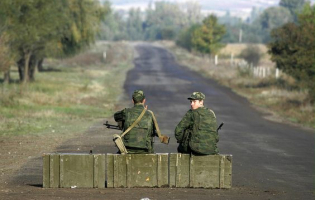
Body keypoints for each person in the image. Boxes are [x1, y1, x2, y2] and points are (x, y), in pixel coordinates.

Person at [114, 90, 159, 154]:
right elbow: (153, 131)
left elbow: (116, 116)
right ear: (144, 101)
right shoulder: (150, 114)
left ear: (132, 100)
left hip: (128, 150)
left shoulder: (126, 112)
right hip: (145, 151)